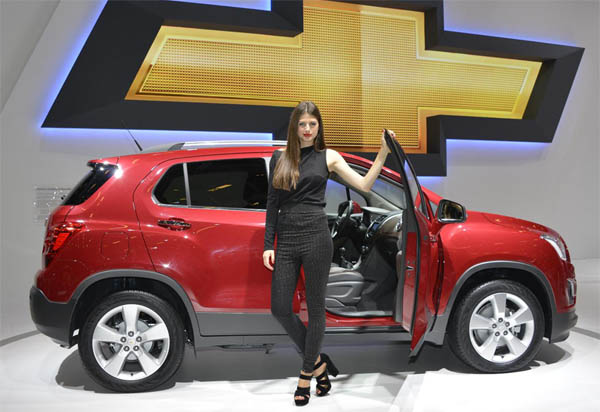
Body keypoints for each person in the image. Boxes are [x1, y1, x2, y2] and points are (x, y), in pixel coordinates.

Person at [262, 100, 393, 406]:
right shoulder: (279, 157)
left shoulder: (328, 157)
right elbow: (272, 203)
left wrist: (383, 153)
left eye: (313, 124)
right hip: (287, 240)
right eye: (302, 124)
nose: (308, 129)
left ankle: (306, 374)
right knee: (280, 308)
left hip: (317, 239)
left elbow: (364, 185)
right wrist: (269, 244)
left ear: (319, 126)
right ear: (294, 127)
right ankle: (320, 364)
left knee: (316, 307)